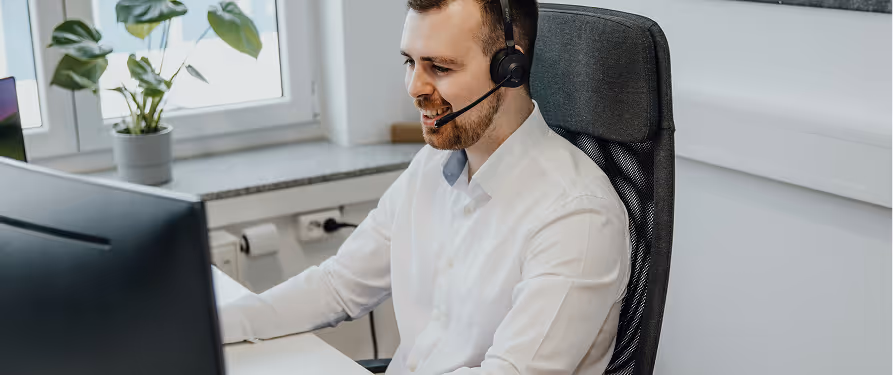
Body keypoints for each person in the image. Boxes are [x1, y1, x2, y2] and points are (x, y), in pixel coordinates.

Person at [219, 0, 631, 373]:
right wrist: (216, 323)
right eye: (410, 62)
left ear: (510, 70)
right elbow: (338, 285)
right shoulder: (432, 165)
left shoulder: (577, 216)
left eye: (440, 67)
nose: (415, 87)